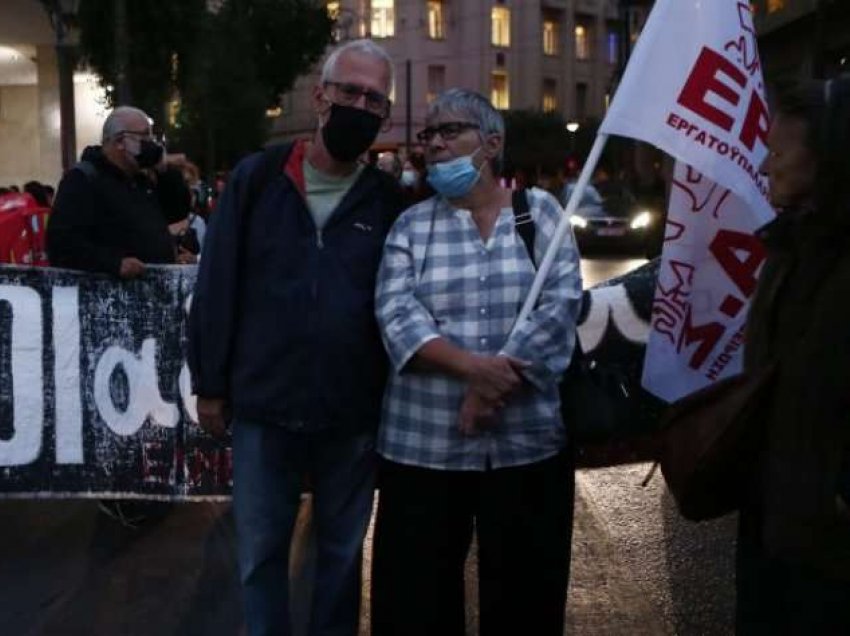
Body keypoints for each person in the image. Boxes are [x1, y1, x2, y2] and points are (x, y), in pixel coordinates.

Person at [188, 39, 402, 636]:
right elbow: (218, 284)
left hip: (351, 414)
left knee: (340, 558)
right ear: (320, 96)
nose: (360, 105)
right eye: (350, 91)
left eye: (374, 99)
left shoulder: (386, 199)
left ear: (384, 115)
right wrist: (210, 383)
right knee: (260, 556)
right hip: (264, 407)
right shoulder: (258, 178)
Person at [370, 88, 582, 636]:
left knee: (525, 603)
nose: (434, 144)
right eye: (429, 135)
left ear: (492, 144)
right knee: (416, 603)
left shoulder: (541, 214)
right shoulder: (411, 227)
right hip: (423, 453)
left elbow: (559, 310)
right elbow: (395, 313)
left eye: (450, 131)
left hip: (526, 451)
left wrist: (491, 388)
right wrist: (473, 371)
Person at [736, 75, 850, 634]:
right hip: (771, 515)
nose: (763, 165)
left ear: (830, 156)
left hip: (830, 542)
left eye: (778, 152)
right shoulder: (786, 245)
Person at [47, 106, 192, 277]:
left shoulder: (140, 180)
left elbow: (177, 210)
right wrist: (113, 263)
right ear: (119, 142)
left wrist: (165, 171)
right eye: (144, 136)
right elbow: (61, 244)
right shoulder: (84, 180)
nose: (150, 143)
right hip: (111, 296)